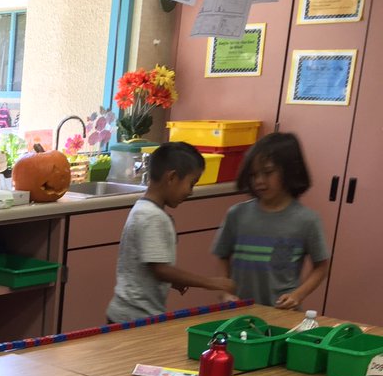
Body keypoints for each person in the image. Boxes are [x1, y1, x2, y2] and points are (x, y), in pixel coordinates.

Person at [106, 142, 237, 323]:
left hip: (127, 314)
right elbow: (161, 270)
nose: (191, 192)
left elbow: (149, 266)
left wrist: (175, 281)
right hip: (135, 317)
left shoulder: (144, 209)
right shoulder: (152, 217)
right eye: (191, 184)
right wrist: (213, 283)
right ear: (172, 177)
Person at [212, 132, 330, 310]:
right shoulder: (237, 214)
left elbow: (321, 267)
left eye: (268, 173)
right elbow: (222, 255)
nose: (259, 181)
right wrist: (224, 292)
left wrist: (297, 295)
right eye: (253, 175)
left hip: (282, 314)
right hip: (239, 313)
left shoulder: (307, 220)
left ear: (290, 171)